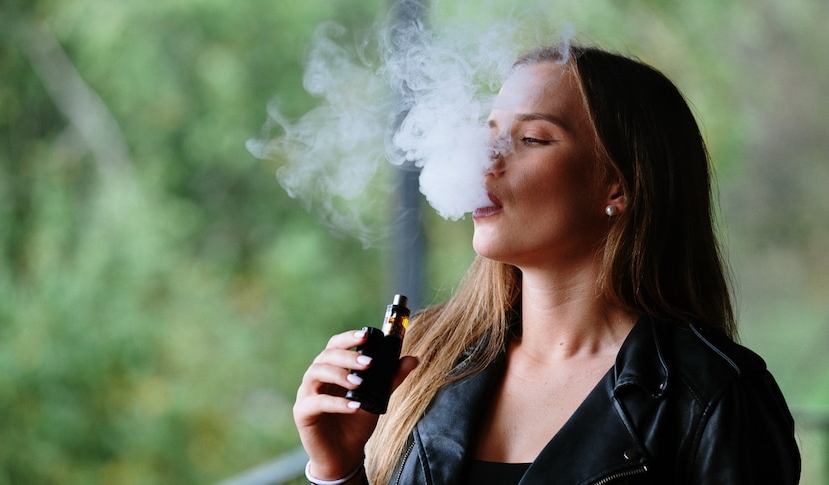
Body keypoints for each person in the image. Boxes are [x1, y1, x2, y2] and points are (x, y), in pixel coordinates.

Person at [293, 44, 801, 485]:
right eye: (489, 134)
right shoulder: (429, 363)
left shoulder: (714, 397)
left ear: (617, 186)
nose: (483, 160)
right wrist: (338, 470)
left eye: (532, 138)